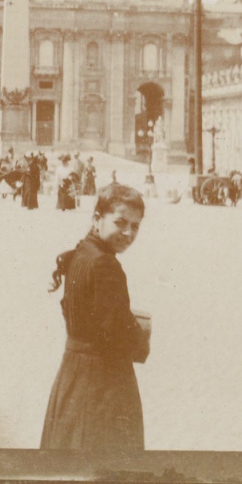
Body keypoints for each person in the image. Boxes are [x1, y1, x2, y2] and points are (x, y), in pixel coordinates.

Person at [40, 183, 150, 452]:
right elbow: (119, 333)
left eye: (135, 226)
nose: (128, 233)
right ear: (97, 219)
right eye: (121, 222)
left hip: (73, 377)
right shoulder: (106, 264)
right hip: (103, 386)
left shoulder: (82, 252)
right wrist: (141, 335)